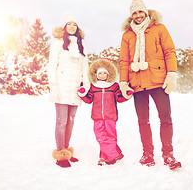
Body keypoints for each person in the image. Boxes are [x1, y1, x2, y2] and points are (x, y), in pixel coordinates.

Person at [119, 0, 181, 170]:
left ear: (146, 12)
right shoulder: (127, 35)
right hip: (137, 83)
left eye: (140, 11)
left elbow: (169, 51)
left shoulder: (159, 28)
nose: (138, 15)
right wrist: (123, 82)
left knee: (165, 118)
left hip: (158, 81)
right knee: (143, 121)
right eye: (134, 13)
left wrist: (171, 75)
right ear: (131, 15)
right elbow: (124, 60)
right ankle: (148, 154)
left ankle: (168, 154)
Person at [48, 13, 89, 168]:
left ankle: (66, 150)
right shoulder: (58, 43)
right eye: (69, 24)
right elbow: (52, 65)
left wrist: (85, 83)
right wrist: (53, 85)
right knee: (61, 121)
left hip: (75, 88)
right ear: (64, 27)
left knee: (70, 122)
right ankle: (60, 153)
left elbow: (85, 66)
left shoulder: (80, 44)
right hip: (61, 86)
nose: (72, 27)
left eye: (74, 24)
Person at [77, 58, 132, 166]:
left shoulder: (114, 86)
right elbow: (88, 99)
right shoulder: (93, 86)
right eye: (100, 73)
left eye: (104, 73)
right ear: (96, 74)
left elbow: (120, 98)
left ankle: (103, 156)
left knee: (110, 136)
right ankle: (114, 155)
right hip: (97, 116)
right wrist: (82, 93)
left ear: (109, 74)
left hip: (111, 116)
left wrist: (127, 93)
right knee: (100, 136)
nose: (102, 75)